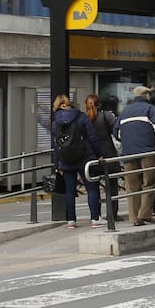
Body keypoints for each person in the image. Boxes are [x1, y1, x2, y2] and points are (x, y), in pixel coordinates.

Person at [116, 85, 155, 226]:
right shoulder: (150, 109)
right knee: (150, 182)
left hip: (128, 153)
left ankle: (134, 218)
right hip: (148, 152)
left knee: (132, 186)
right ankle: (144, 214)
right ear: (147, 95)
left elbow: (116, 132)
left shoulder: (125, 111)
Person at [50, 93, 103, 228]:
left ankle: (71, 220)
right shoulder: (80, 116)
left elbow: (56, 145)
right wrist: (99, 154)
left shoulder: (55, 122)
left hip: (66, 160)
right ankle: (95, 219)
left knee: (69, 191)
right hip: (85, 157)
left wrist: (57, 164)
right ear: (69, 103)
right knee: (91, 189)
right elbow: (92, 137)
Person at [85, 93, 121, 223]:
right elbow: (116, 131)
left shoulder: (84, 118)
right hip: (108, 155)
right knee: (112, 186)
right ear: (99, 104)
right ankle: (112, 213)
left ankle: (96, 215)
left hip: (91, 157)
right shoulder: (106, 116)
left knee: (93, 187)